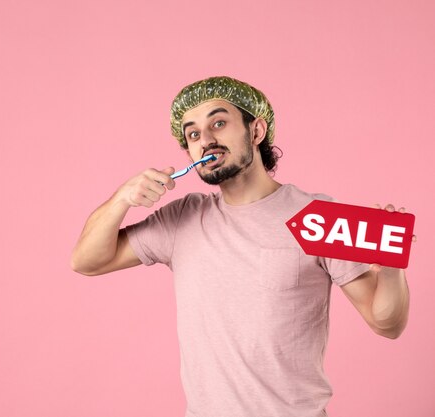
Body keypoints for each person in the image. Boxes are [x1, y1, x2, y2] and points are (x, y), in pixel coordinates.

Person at [70, 76, 411, 417]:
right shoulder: (183, 219)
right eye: (192, 134)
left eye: (219, 123)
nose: (205, 140)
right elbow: (87, 261)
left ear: (256, 131)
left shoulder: (318, 216)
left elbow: (387, 324)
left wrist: (392, 269)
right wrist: (122, 199)